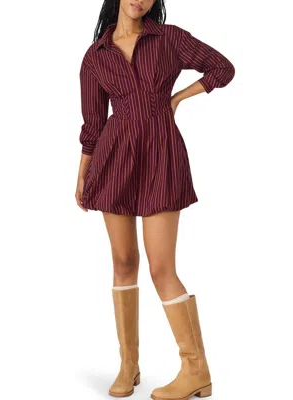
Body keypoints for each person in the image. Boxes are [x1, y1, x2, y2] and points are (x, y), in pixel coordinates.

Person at [75, 1, 235, 399]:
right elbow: (93, 124)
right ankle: (128, 364)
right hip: (114, 159)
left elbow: (222, 68)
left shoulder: (170, 39)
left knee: (162, 267)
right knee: (123, 262)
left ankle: (195, 369)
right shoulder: (95, 56)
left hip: (162, 154)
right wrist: (82, 175)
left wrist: (178, 97)